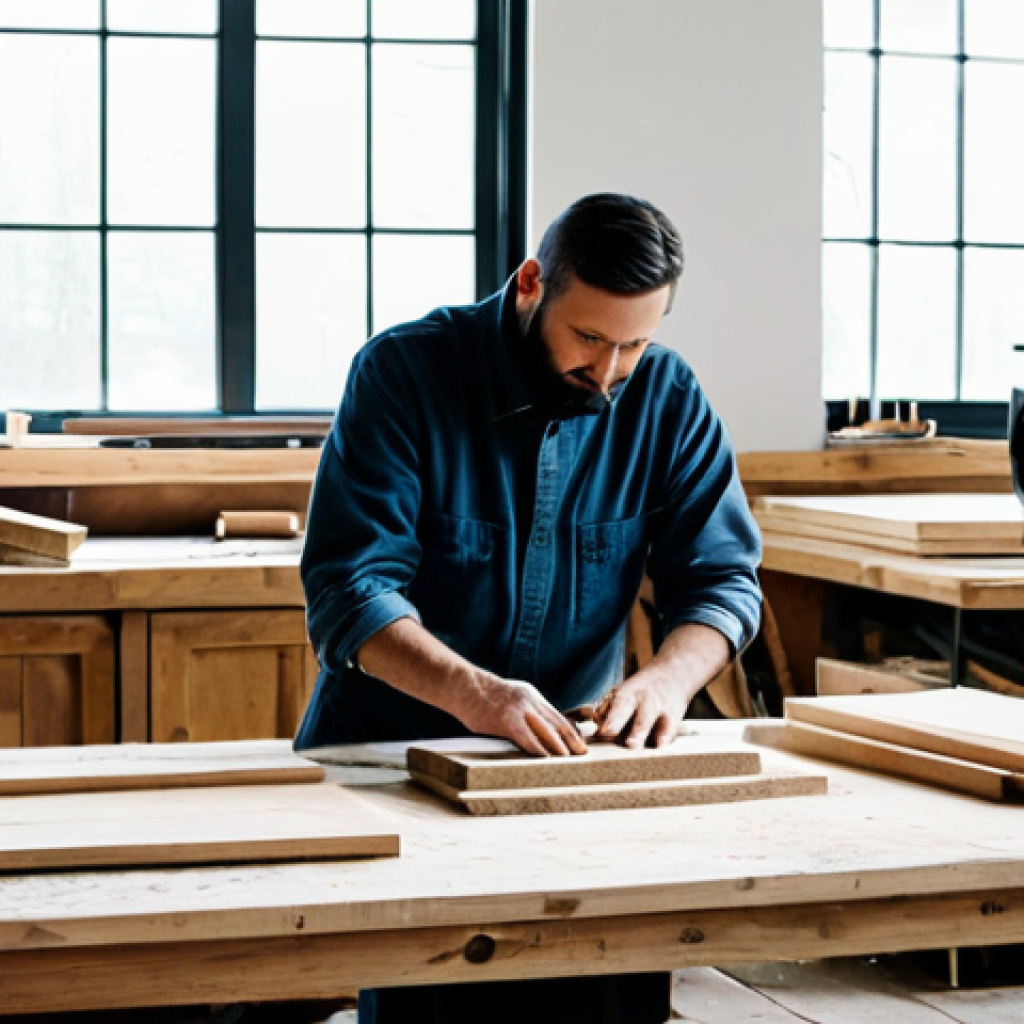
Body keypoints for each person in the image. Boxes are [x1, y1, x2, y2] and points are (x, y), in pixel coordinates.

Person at [296, 193, 762, 1024]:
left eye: (635, 343)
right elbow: (349, 590)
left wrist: (665, 682)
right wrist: (481, 695)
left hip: (571, 768)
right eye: (588, 337)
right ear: (529, 284)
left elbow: (722, 580)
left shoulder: (666, 395)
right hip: (396, 765)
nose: (610, 371)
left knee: (604, 1001)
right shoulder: (403, 372)